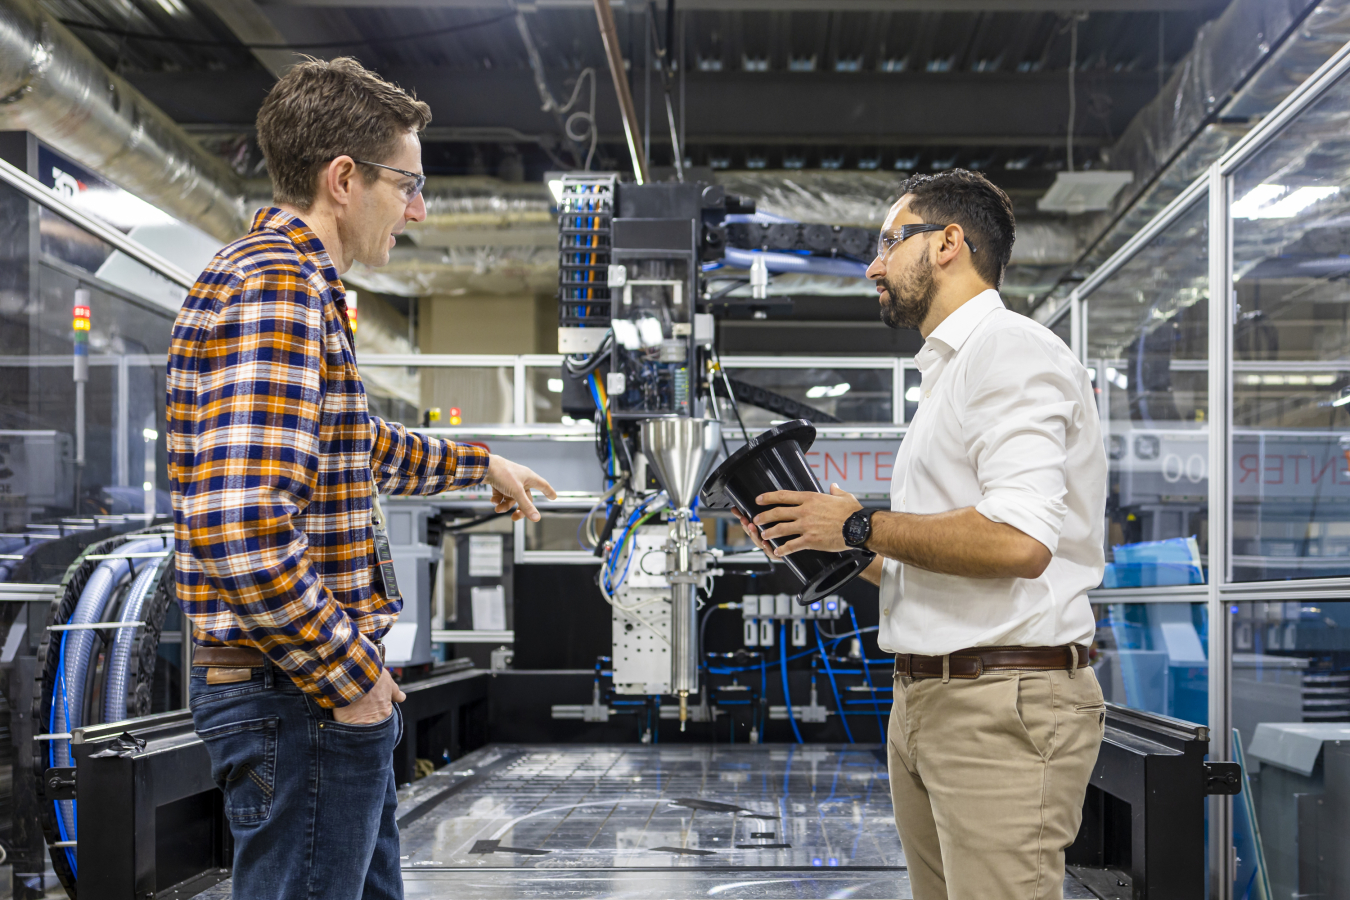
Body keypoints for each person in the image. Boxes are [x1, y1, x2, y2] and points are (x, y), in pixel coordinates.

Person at [166, 57, 555, 900]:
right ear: (343, 178)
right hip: (298, 694)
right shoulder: (278, 289)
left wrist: (475, 460)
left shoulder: (290, 285)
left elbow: (350, 442)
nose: (417, 210)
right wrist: (351, 680)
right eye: (407, 185)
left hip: (306, 692)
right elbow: (243, 526)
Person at [737, 169, 1107, 900]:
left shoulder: (1011, 352)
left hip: (1001, 700)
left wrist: (858, 521)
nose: (873, 265)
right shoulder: (950, 373)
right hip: (930, 701)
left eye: (887, 243)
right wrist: (829, 537)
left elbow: (1018, 544)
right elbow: (930, 564)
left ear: (948, 244)